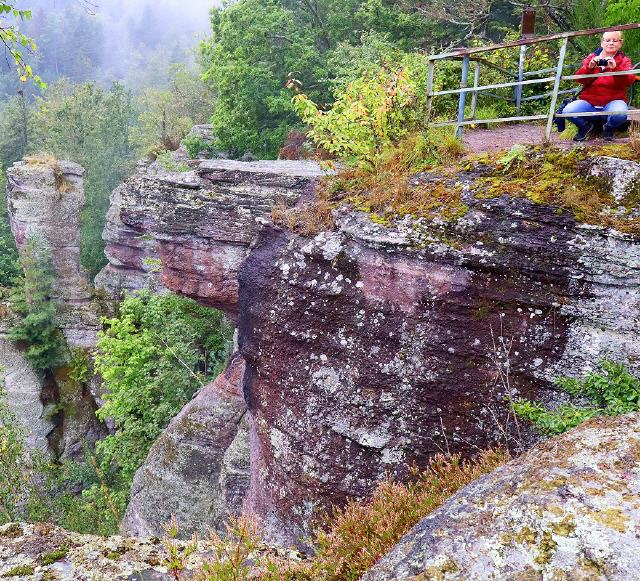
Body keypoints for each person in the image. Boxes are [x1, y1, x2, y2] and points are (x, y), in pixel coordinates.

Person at [563, 30, 636, 142]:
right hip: (589, 103)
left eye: (615, 40)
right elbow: (579, 79)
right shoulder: (591, 57)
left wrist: (615, 69)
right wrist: (589, 67)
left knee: (621, 114)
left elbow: (628, 81)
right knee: (568, 111)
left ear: (620, 43)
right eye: (608, 40)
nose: (611, 43)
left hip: (613, 102)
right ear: (602, 43)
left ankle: (609, 127)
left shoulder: (624, 60)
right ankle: (585, 127)